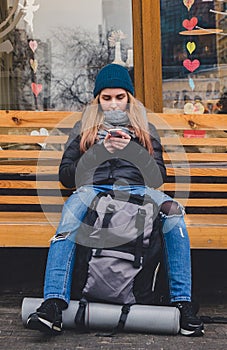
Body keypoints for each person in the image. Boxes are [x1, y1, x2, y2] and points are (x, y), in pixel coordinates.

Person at [26, 64, 204, 337]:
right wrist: (100, 151)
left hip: (138, 189)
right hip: (93, 189)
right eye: (106, 98)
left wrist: (132, 149)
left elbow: (157, 177)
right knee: (71, 213)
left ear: (129, 98)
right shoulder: (83, 127)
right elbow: (66, 176)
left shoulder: (146, 128)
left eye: (119, 97)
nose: (113, 104)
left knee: (173, 212)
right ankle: (53, 304)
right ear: (97, 100)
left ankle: (183, 304)